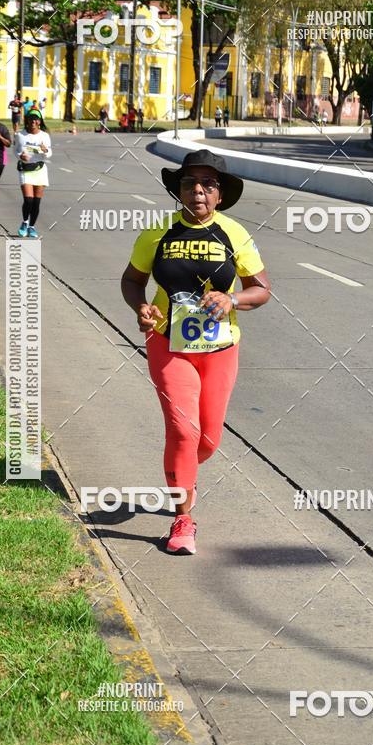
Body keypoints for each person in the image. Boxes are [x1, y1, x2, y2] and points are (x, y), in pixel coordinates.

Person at [121, 149, 271, 555]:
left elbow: (262, 290)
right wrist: (141, 307)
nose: (199, 191)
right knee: (182, 430)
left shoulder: (234, 234)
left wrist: (233, 300)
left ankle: (184, 472)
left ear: (220, 194)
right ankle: (182, 517)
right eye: (190, 184)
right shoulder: (157, 233)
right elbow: (132, 280)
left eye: (208, 184)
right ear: (179, 191)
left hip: (220, 348)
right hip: (168, 344)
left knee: (207, 439)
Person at [14, 109, 52, 238]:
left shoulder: (44, 136)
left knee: (36, 201)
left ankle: (32, 227)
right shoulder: (20, 135)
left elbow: (49, 153)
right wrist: (21, 157)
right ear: (27, 120)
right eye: (31, 118)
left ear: (40, 122)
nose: (33, 121)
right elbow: (16, 151)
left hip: (40, 170)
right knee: (28, 200)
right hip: (26, 170)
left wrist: (45, 150)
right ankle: (25, 222)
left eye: (36, 119)